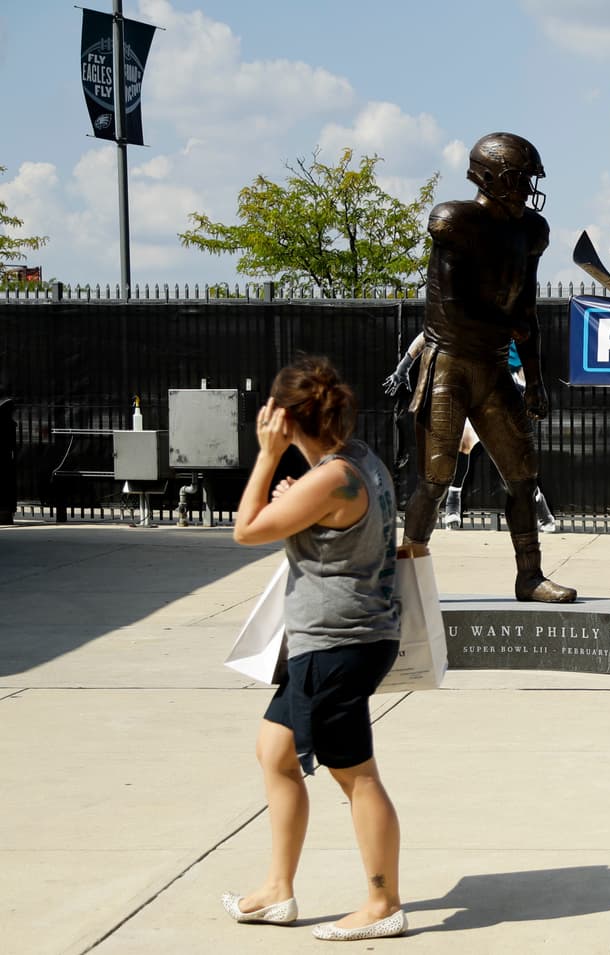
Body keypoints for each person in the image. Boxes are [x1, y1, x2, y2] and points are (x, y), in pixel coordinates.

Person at [225, 356, 406, 941]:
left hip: (338, 644)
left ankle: (383, 903)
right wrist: (296, 485)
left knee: (357, 777)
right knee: (274, 752)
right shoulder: (356, 462)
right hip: (341, 640)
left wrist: (268, 456)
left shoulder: (328, 477)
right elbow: (325, 517)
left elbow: (247, 529)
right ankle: (279, 889)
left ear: (282, 417)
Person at [382, 131, 573, 603]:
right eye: (520, 178)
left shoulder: (530, 231)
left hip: (491, 366)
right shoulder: (456, 222)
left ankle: (529, 575)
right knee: (435, 476)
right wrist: (511, 325)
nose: (528, 188)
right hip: (449, 362)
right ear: (490, 177)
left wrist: (535, 379)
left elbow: (526, 309)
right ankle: (406, 576)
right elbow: (455, 304)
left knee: (523, 474)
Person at [387, 339, 557, 532]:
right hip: (476, 384)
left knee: (511, 457)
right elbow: (427, 334)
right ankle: (453, 501)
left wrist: (530, 385)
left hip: (507, 383)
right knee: (465, 443)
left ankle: (540, 508)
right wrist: (404, 367)